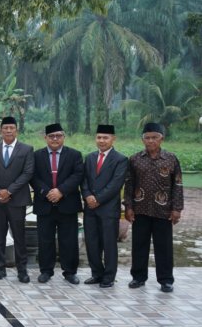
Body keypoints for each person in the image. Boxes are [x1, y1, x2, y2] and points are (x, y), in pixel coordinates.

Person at [124, 122, 183, 293]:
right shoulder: (135, 159)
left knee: (163, 246)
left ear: (161, 138)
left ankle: (166, 280)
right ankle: (138, 277)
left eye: (154, 137)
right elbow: (129, 184)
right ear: (143, 139)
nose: (151, 141)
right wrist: (128, 207)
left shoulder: (171, 159)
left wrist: (177, 209)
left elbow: (177, 185)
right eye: (147, 138)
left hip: (163, 211)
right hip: (140, 210)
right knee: (139, 245)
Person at [30, 123, 84, 285]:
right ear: (45, 138)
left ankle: (70, 272)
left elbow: (77, 175)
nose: (55, 139)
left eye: (58, 136)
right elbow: (33, 176)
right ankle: (46, 271)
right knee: (45, 240)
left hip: (67, 203)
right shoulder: (36, 156)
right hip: (44, 204)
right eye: (51, 136)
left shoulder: (74, 155)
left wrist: (60, 191)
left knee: (69, 240)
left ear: (64, 137)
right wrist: (47, 192)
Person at [0, 117, 34, 283]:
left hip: (17, 200)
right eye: (5, 128)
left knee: (19, 236)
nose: (8, 130)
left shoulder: (26, 149)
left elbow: (27, 173)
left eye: (11, 128)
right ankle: (0, 268)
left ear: (16, 130)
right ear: (0, 130)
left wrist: (9, 191)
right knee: (0, 235)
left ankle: (22, 270)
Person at [82, 124, 128, 288]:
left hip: (108, 209)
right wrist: (87, 195)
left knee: (109, 243)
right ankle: (96, 273)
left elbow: (116, 184)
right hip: (90, 208)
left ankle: (109, 276)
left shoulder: (121, 159)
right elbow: (84, 180)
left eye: (105, 137)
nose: (102, 141)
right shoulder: (90, 157)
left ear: (113, 139)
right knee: (92, 242)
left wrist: (98, 199)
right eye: (99, 137)